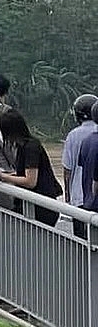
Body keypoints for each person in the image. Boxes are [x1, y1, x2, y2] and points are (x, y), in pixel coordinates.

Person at [0, 110, 63, 227]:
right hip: (33, 205)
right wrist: (8, 175)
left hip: (40, 207)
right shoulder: (24, 146)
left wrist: (3, 176)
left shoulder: (30, 147)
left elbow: (30, 181)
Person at [63, 94, 98, 238]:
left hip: (79, 197)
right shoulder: (94, 135)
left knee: (82, 243)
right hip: (95, 198)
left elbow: (67, 169)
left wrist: (68, 196)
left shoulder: (73, 135)